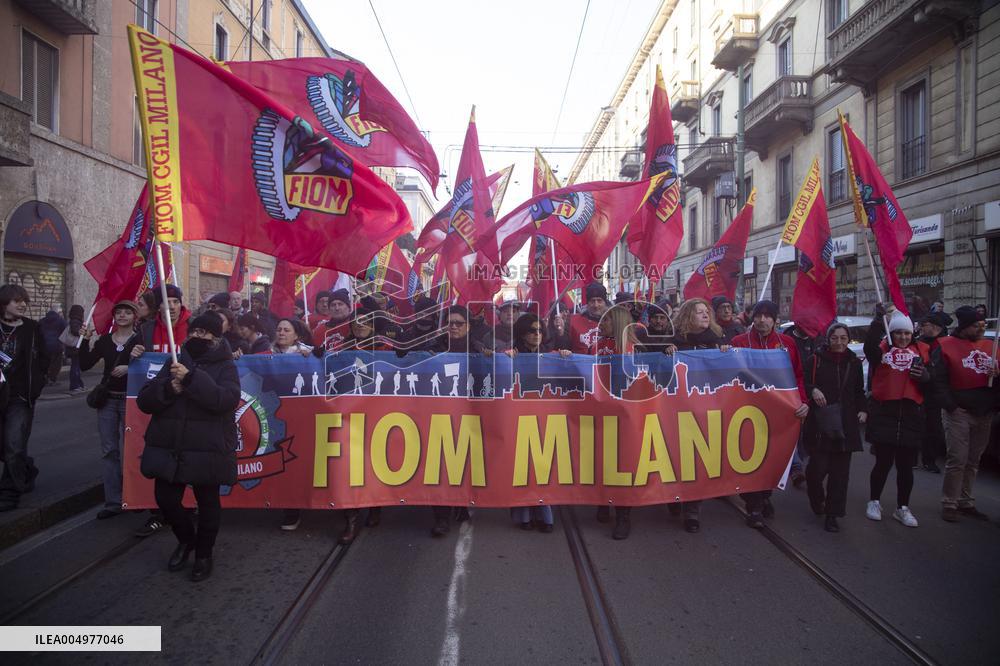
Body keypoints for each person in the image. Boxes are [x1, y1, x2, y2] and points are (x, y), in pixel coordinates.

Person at [137, 313, 239, 581]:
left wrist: (192, 379)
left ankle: (204, 554)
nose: (198, 337)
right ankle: (186, 539)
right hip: (172, 445)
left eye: (205, 333)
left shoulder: (226, 365)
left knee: (207, 503)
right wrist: (170, 388)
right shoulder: (174, 362)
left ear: (216, 338)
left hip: (207, 447)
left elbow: (225, 400)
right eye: (195, 331)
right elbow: (145, 401)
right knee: (166, 499)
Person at [731, 300, 809, 528]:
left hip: (778, 413)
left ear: (775, 320)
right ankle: (753, 506)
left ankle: (764, 496)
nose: (762, 320)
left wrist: (802, 401)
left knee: (773, 458)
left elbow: (798, 376)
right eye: (758, 315)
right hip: (746, 411)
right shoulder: (738, 342)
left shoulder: (787, 344)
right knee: (749, 458)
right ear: (752, 318)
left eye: (767, 316)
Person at [660, 298, 730, 533]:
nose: (705, 315)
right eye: (699, 312)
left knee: (697, 459)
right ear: (689, 315)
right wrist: (667, 354)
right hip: (678, 409)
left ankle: (692, 510)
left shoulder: (718, 341)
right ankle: (673, 497)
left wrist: (725, 354)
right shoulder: (675, 342)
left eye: (706, 312)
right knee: (677, 457)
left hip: (706, 409)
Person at [505, 313, 572, 533]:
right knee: (522, 466)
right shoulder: (511, 355)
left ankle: (545, 514)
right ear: (522, 333)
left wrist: (565, 355)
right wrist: (505, 359)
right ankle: (523, 514)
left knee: (545, 466)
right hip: (519, 416)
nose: (537, 334)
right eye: (532, 330)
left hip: (546, 417)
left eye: (540, 330)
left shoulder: (551, 355)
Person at [863, 308, 929, 528]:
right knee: (882, 463)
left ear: (912, 334)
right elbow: (869, 347)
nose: (902, 337)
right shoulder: (881, 350)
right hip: (885, 414)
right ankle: (874, 501)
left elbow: (936, 380)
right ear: (892, 333)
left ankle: (903, 507)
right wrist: (877, 321)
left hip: (910, 415)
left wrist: (928, 378)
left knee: (905, 466)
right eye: (898, 333)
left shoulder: (922, 350)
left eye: (907, 333)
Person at [933, 305, 1000, 522]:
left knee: (973, 460)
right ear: (964, 327)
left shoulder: (993, 346)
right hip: (959, 412)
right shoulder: (945, 346)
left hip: (985, 412)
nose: (981, 329)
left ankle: (966, 500)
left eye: (983, 325)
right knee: (958, 459)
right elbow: (938, 382)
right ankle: (949, 502)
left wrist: (997, 375)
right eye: (976, 326)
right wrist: (951, 406)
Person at [79, 301, 143, 519]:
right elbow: (85, 364)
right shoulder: (105, 340)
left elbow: (151, 366)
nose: (122, 315)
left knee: (133, 451)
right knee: (109, 451)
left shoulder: (140, 340)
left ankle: (135, 497)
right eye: (118, 312)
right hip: (107, 401)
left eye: (127, 312)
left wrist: (131, 367)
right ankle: (113, 501)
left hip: (130, 400)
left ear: (135, 316)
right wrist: (85, 340)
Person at [428, 306, 487, 537]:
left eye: (459, 323)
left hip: (470, 414)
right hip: (440, 414)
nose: (453, 326)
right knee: (440, 465)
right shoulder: (433, 347)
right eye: (450, 322)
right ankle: (441, 517)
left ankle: (461, 504)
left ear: (468, 326)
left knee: (464, 463)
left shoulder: (479, 348)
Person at [803, 323, 866, 533]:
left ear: (848, 340)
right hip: (821, 423)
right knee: (815, 471)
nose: (839, 342)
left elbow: (858, 391)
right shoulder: (816, 360)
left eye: (843, 338)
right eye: (835, 338)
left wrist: (863, 410)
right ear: (828, 339)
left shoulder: (854, 363)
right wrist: (813, 391)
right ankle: (816, 499)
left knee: (840, 475)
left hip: (846, 424)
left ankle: (833, 514)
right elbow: (803, 384)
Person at [0, 285, 49, 512]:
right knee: (8, 446)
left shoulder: (32, 328)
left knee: (13, 443)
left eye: (24, 301)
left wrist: (37, 384)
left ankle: (9, 493)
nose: (22, 305)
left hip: (20, 396)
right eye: (16, 300)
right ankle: (26, 470)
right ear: (4, 303)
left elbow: (45, 357)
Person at [917, 311, 953, 472]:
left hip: (936, 392)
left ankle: (929, 459)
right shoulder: (919, 342)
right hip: (918, 389)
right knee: (917, 425)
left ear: (935, 327)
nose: (920, 328)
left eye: (923, 325)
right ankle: (913, 457)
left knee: (934, 428)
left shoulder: (946, 344)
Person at [139, 285, 191, 354]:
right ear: (158, 307)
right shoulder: (146, 329)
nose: (172, 307)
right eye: (166, 302)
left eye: (176, 302)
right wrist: (135, 354)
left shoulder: (193, 325)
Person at [567, 283, 610, 354]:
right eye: (592, 301)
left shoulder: (613, 322)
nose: (596, 305)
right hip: (580, 364)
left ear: (605, 302)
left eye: (599, 301)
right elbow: (563, 347)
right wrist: (560, 333)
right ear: (587, 303)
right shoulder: (573, 321)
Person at [38, 309, 66, 385]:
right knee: (56, 363)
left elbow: (38, 331)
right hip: (57, 345)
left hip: (44, 345)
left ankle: (45, 378)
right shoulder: (60, 320)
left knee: (46, 362)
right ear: (58, 313)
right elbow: (66, 331)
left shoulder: (42, 321)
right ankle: (52, 379)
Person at [65, 305, 86, 392]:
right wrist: (82, 332)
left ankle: (79, 384)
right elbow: (75, 331)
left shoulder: (73, 320)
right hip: (75, 348)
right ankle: (75, 386)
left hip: (73, 348)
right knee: (75, 367)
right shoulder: (75, 321)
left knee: (76, 366)